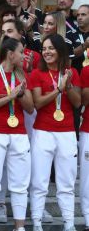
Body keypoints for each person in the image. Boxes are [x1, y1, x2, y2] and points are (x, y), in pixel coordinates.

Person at [0, 37, 34, 231]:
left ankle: (20, 227)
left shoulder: (22, 75)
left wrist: (21, 94)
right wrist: (9, 97)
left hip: (19, 133)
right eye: (21, 51)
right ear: (11, 54)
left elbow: (29, 109)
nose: (24, 55)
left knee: (20, 184)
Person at [29, 34, 81, 231]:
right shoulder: (36, 74)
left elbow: (77, 103)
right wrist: (58, 90)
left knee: (66, 182)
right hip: (43, 132)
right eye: (44, 48)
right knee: (40, 182)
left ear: (60, 50)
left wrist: (68, 86)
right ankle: (37, 223)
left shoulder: (71, 73)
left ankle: (68, 223)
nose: (47, 52)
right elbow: (38, 103)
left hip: (67, 132)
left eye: (51, 48)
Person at [79, 63, 89, 231]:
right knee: (87, 178)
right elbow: (83, 100)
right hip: (88, 129)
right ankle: (88, 218)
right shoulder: (87, 70)